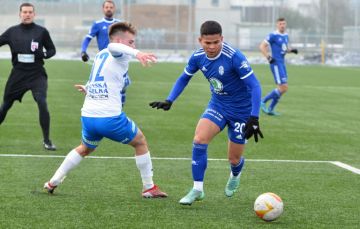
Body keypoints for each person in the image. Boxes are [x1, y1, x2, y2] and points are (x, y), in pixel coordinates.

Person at [44, 22, 167, 198]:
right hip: (109, 117)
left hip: (88, 116)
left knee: (85, 148)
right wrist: (137, 53)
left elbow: (100, 78)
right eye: (131, 42)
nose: (134, 46)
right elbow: (113, 46)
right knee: (140, 142)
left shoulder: (100, 55)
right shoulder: (118, 52)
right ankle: (149, 187)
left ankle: (52, 182)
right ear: (119, 40)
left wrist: (88, 88)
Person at [149, 20, 263, 205]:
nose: (211, 47)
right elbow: (183, 78)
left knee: (233, 159)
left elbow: (255, 86)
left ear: (222, 39)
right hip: (217, 105)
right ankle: (197, 189)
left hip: (241, 111)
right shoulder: (197, 57)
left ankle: (236, 173)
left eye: (216, 42)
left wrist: (254, 117)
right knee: (199, 140)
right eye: (207, 43)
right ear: (200, 40)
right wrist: (170, 100)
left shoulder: (234, 57)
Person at [0, 3, 56, 150]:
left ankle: (47, 141)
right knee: (5, 106)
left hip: (37, 74)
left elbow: (51, 50)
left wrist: (43, 54)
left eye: (30, 12)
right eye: (24, 12)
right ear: (20, 14)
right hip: (18, 74)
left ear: (34, 14)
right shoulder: (12, 32)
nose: (27, 14)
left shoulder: (41, 31)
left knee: (42, 103)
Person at [259, 17, 298, 116]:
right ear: (277, 25)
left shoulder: (285, 35)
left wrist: (291, 50)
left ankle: (271, 109)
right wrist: (268, 57)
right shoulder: (273, 35)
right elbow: (262, 46)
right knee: (283, 87)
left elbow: (284, 49)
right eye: (280, 24)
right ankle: (263, 101)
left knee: (283, 87)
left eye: (284, 24)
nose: (282, 25)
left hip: (282, 63)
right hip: (276, 64)